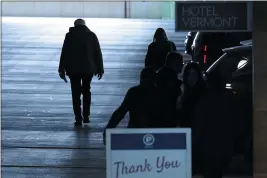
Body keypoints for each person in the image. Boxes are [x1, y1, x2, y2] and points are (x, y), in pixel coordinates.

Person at [191, 73, 245, 178]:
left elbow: (198, 129)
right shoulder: (230, 101)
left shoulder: (203, 102)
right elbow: (238, 125)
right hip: (225, 148)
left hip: (207, 150)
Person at [58, 18, 104, 126]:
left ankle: (78, 118)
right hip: (88, 70)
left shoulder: (69, 36)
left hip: (73, 70)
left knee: (75, 93)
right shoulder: (91, 35)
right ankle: (86, 116)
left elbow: (64, 52)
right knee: (87, 91)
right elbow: (97, 52)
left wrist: (61, 69)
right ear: (85, 25)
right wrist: (100, 69)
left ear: (74, 25)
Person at [103, 67, 157, 143]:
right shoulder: (159, 94)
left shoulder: (134, 92)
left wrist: (108, 129)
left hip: (135, 130)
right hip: (155, 132)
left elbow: (120, 112)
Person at [178, 62, 206, 128]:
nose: (191, 78)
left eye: (193, 74)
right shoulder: (185, 95)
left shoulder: (203, 94)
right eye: (188, 74)